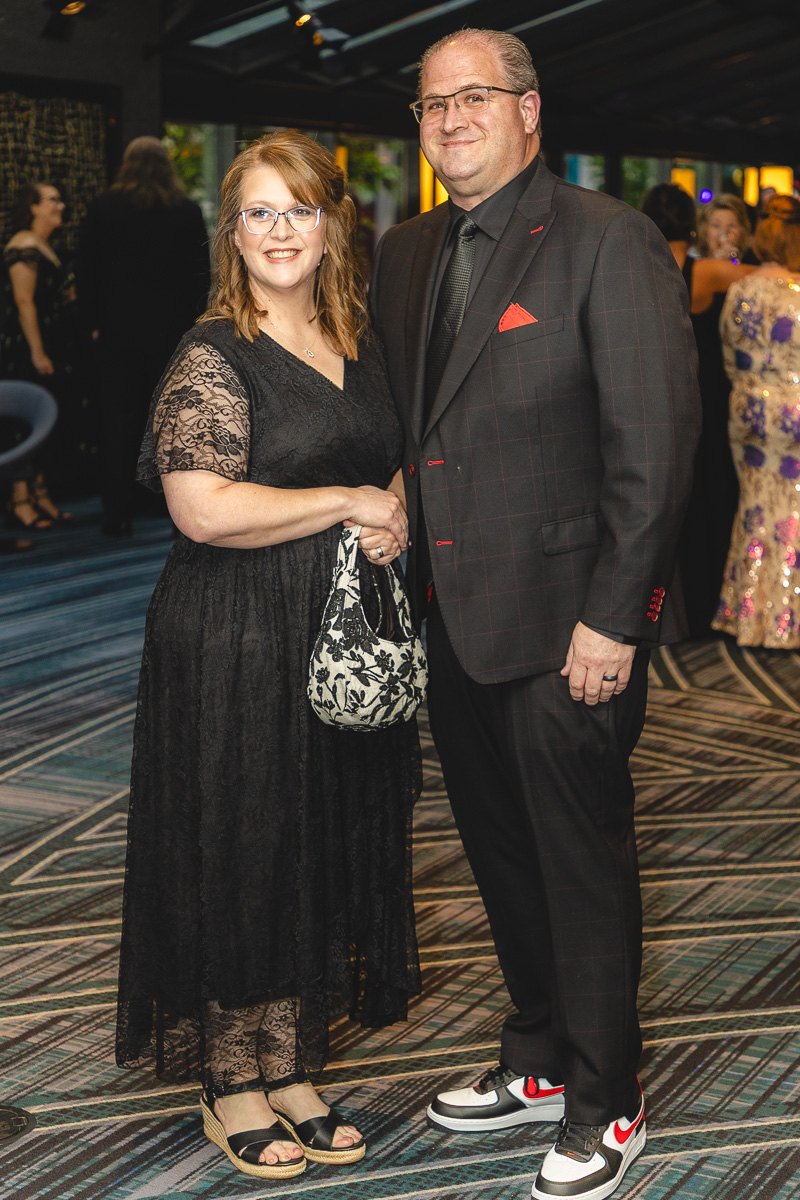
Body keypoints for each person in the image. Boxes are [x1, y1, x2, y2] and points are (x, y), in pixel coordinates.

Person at [369, 29, 700, 1200]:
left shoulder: (605, 239)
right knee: (501, 859)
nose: (449, 119)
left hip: (570, 628)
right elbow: (413, 426)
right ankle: (540, 1057)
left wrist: (615, 619)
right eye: (430, 104)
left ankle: (608, 1098)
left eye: (473, 97)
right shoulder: (406, 251)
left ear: (527, 110)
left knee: (577, 863)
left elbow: (653, 447)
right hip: (451, 618)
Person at [115, 131, 422, 1180]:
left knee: (313, 833)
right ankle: (229, 1081)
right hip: (235, 631)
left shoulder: (355, 337)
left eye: (298, 210)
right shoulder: (213, 353)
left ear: (331, 224)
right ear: (232, 234)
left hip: (336, 630)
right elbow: (201, 509)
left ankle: (288, 1064)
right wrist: (348, 502)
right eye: (259, 212)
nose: (280, 231)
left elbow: (391, 458)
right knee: (244, 841)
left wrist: (392, 513)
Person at [77, 136, 210, 536]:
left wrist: (93, 323)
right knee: (172, 424)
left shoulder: (103, 207)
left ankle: (117, 515)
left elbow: (86, 271)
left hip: (117, 334)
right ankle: (175, 516)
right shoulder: (185, 210)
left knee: (117, 424)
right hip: (171, 334)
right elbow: (199, 275)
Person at [640, 184, 756, 637]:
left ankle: (667, 610)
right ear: (693, 223)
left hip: (657, 396)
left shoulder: (639, 266)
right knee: (712, 495)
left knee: (666, 502)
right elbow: (772, 274)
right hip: (707, 397)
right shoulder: (704, 271)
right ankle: (710, 605)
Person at [713, 196, 800, 647]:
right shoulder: (798, 292)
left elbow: (728, 355)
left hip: (747, 410)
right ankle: (787, 622)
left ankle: (747, 616)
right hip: (794, 411)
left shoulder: (740, 289)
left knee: (754, 505)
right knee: (793, 510)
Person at [1, 182, 75, 533]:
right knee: (24, 423)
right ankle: (20, 501)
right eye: (52, 200)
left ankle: (41, 495)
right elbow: (23, 301)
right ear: (32, 207)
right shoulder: (23, 244)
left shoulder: (44, 245)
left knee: (47, 423)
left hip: (49, 343)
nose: (60, 205)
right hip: (25, 348)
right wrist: (37, 351)